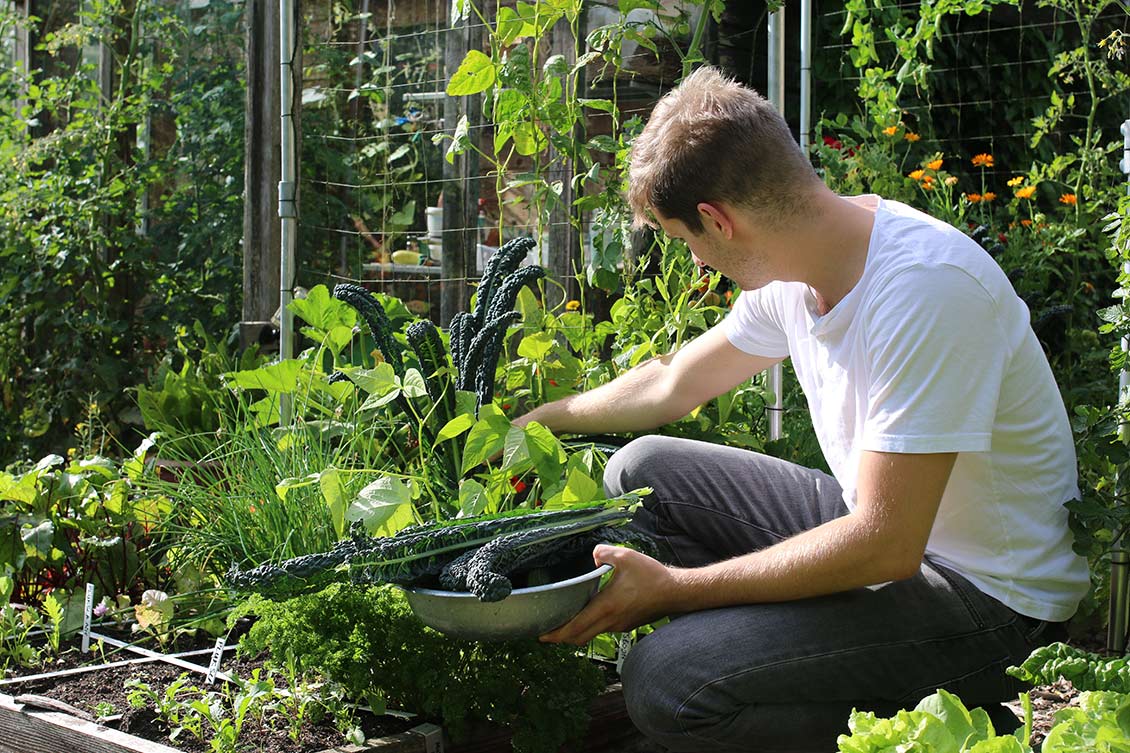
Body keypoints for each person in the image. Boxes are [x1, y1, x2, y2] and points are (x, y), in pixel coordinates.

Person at [514, 65, 1089, 752]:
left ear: (717, 220)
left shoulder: (925, 289)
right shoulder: (800, 269)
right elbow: (673, 381)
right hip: (894, 543)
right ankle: (784, 665)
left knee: (664, 680)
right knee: (642, 473)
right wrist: (541, 420)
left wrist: (677, 590)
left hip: (993, 607)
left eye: (687, 242)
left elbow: (886, 544)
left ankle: (956, 727)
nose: (698, 262)